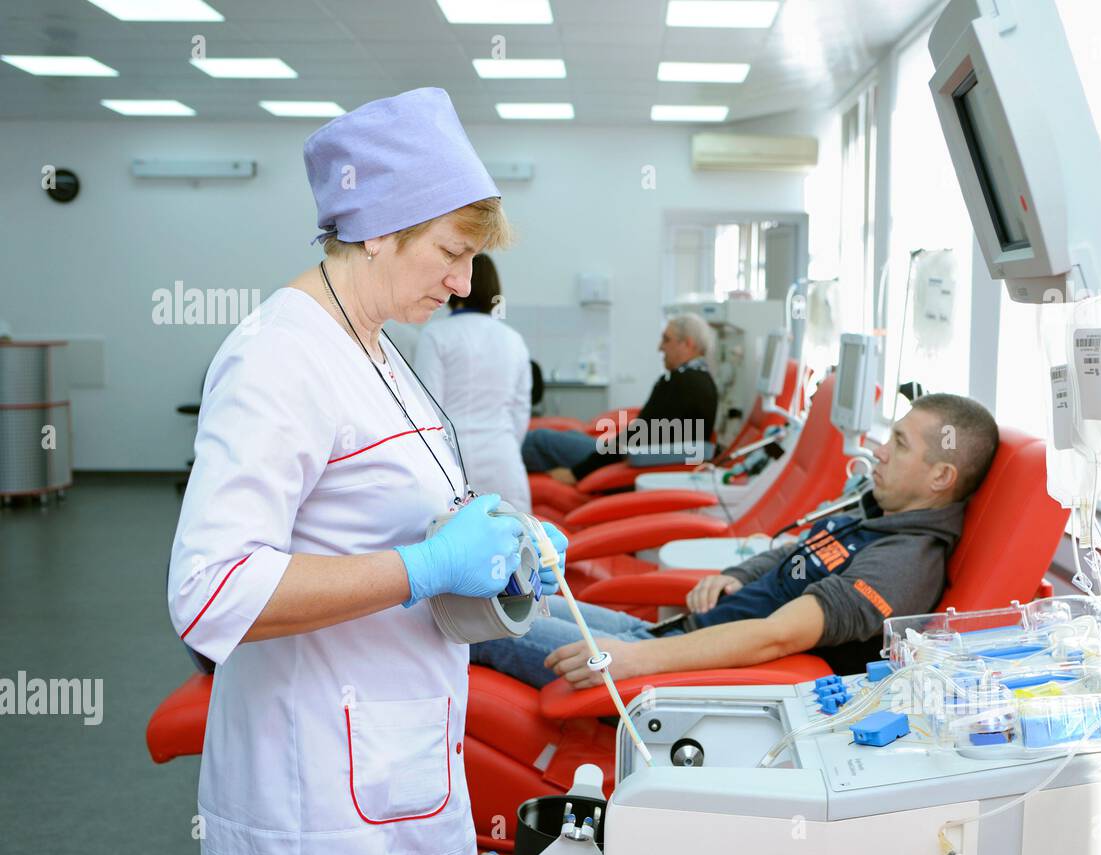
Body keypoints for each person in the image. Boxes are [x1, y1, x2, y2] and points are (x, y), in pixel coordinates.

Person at [166, 88, 567, 855]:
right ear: (378, 231)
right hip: (315, 797)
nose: (462, 284)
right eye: (452, 252)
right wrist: (423, 569)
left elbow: (377, 522)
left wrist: (501, 554)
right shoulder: (279, 357)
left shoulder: (377, 349)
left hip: (399, 766)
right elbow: (209, 591)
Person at [471, 393, 998, 688]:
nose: (880, 451)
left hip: (671, 666)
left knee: (476, 625)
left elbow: (776, 637)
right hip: (677, 634)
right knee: (514, 599)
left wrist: (636, 661)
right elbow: (797, 552)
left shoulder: (903, 564)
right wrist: (738, 575)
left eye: (900, 444)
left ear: (940, 477)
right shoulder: (880, 512)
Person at [521, 312, 719, 484]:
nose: (660, 347)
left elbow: (638, 436)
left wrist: (576, 473)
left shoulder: (684, 383)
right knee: (569, 435)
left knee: (541, 439)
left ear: (688, 344)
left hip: (631, 460)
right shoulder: (698, 380)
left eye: (666, 340)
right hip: (634, 455)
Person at [413, 254, 532, 511]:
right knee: (516, 542)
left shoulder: (435, 335)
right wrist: (507, 441)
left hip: (454, 461)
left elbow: (428, 409)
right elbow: (521, 410)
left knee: (458, 544)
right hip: (504, 457)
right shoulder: (513, 339)